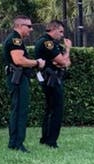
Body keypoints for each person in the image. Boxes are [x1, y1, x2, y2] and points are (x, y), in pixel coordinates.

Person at [3, 15, 46, 152]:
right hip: (18, 78)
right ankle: (17, 143)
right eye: (29, 26)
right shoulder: (16, 40)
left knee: (17, 109)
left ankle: (14, 142)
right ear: (20, 26)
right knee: (20, 110)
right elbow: (19, 60)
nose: (31, 29)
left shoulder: (15, 39)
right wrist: (37, 62)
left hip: (17, 78)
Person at [35, 20, 72, 149]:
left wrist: (62, 60)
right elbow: (63, 62)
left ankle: (46, 138)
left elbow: (67, 63)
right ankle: (51, 141)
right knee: (56, 109)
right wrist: (67, 49)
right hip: (51, 79)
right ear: (53, 29)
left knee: (50, 109)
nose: (62, 35)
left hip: (51, 78)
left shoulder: (52, 44)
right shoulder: (47, 43)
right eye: (60, 31)